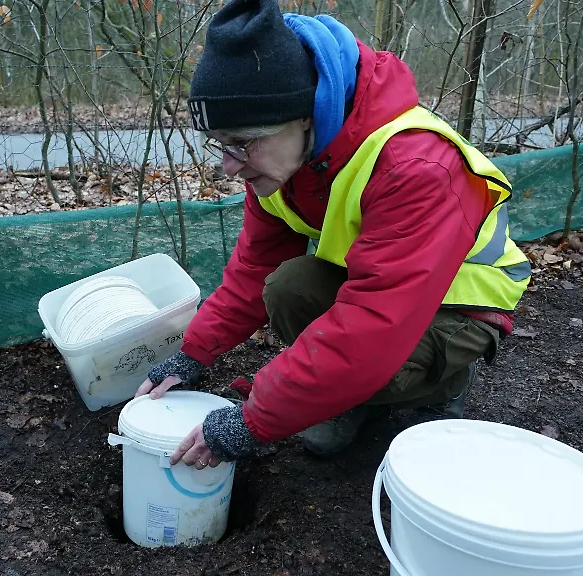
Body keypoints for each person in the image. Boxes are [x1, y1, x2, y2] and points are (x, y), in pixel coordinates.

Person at [134, 0, 531, 468]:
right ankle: (350, 393)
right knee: (286, 287)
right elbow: (250, 273)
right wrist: (192, 356)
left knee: (374, 360)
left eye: (242, 142)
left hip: (464, 308)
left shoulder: (417, 165)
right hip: (381, 292)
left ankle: (438, 390)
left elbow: (373, 326)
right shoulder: (288, 160)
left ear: (306, 115)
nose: (228, 165)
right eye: (221, 143)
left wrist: (252, 418)